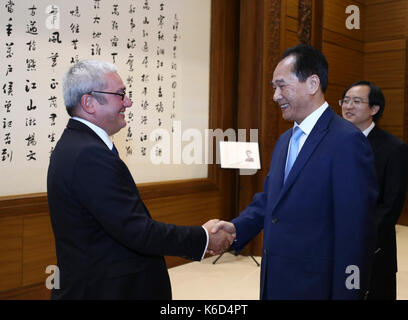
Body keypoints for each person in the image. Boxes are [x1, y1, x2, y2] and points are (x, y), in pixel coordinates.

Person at [47, 60, 234, 300]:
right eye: (120, 94)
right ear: (89, 102)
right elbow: (137, 231)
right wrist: (204, 237)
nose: (128, 102)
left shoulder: (77, 146)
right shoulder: (88, 154)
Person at [211, 44, 378, 300]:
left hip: (316, 286)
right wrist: (236, 228)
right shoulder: (285, 140)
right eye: (273, 87)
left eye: (281, 85)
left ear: (312, 84)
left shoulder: (347, 141)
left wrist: (348, 293)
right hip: (276, 281)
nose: (275, 96)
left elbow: (354, 233)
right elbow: (271, 200)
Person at [341, 80, 408, 300]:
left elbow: (391, 205)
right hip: (334, 244)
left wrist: (362, 239)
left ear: (374, 109)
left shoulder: (394, 148)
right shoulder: (334, 143)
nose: (348, 106)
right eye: (346, 100)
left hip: (373, 247)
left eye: (356, 101)